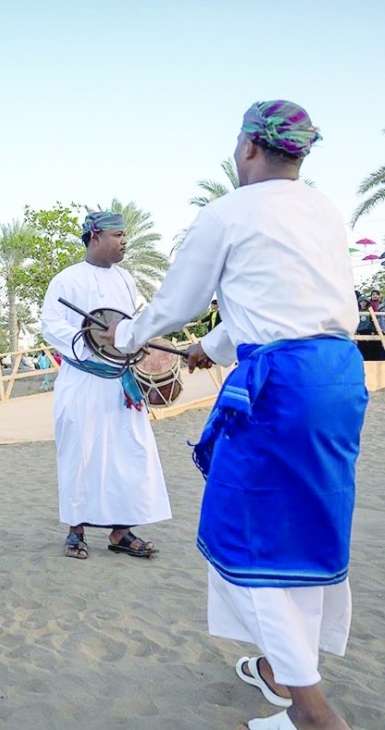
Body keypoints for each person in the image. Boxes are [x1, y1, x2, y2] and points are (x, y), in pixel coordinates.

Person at [107, 100, 367, 730]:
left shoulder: (226, 212)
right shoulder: (324, 209)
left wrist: (125, 338)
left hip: (283, 387)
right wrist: (210, 347)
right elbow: (278, 302)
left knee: (247, 535)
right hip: (338, 376)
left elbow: (179, 300)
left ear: (249, 146)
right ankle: (282, 672)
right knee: (303, 529)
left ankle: (312, 713)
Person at [39, 211, 171, 561]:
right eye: (118, 234)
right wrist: (91, 342)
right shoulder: (65, 281)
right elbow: (51, 325)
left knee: (127, 453)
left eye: (126, 235)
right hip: (83, 380)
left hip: (119, 382)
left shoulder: (127, 279)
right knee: (79, 454)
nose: (125, 241)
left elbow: (131, 322)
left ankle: (121, 532)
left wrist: (136, 341)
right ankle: (75, 532)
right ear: (95, 236)